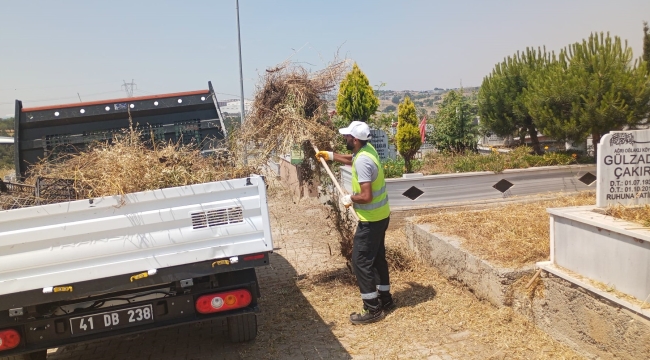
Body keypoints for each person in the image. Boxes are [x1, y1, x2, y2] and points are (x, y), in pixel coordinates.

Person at [315, 120, 394, 325]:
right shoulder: (367, 150)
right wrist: (330, 156)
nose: (345, 138)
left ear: (355, 139)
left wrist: (351, 198)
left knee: (361, 262)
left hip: (370, 220)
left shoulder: (363, 161)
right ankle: (385, 299)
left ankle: (372, 309)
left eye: (348, 136)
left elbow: (366, 195)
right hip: (381, 216)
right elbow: (352, 158)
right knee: (377, 258)